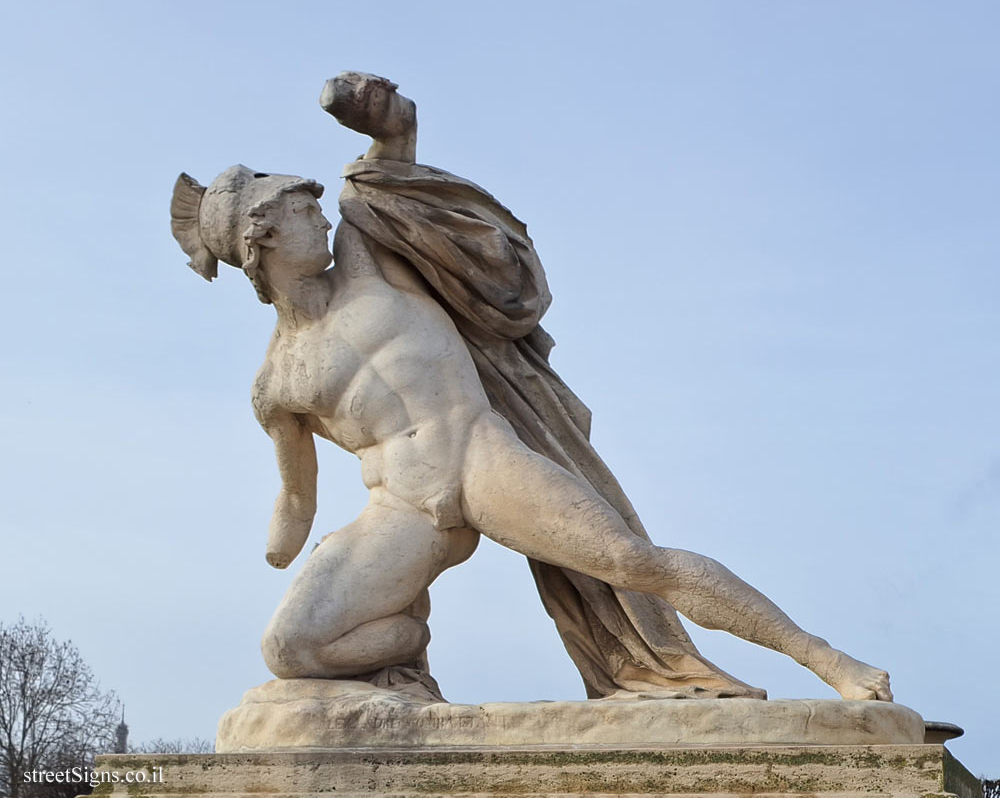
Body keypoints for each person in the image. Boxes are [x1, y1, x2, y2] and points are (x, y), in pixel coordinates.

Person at [170, 72, 892, 703]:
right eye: (300, 209)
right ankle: (401, 656)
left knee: (633, 563)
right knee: (289, 649)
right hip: (403, 511)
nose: (320, 210)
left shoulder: (366, 253)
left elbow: (393, 169)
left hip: (483, 460)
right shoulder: (277, 383)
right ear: (260, 239)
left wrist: (384, 119)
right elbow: (296, 496)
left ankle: (829, 659)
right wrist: (288, 544)